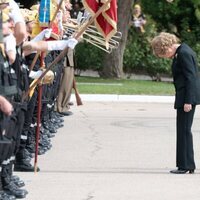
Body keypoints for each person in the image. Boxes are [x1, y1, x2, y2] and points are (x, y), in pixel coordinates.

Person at [151, 32, 200, 174]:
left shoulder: (183, 53)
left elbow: (191, 78)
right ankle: (184, 164)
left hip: (187, 98)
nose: (165, 57)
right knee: (182, 130)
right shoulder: (181, 51)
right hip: (183, 96)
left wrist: (188, 101)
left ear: (166, 48)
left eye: (162, 54)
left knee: (184, 131)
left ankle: (186, 165)